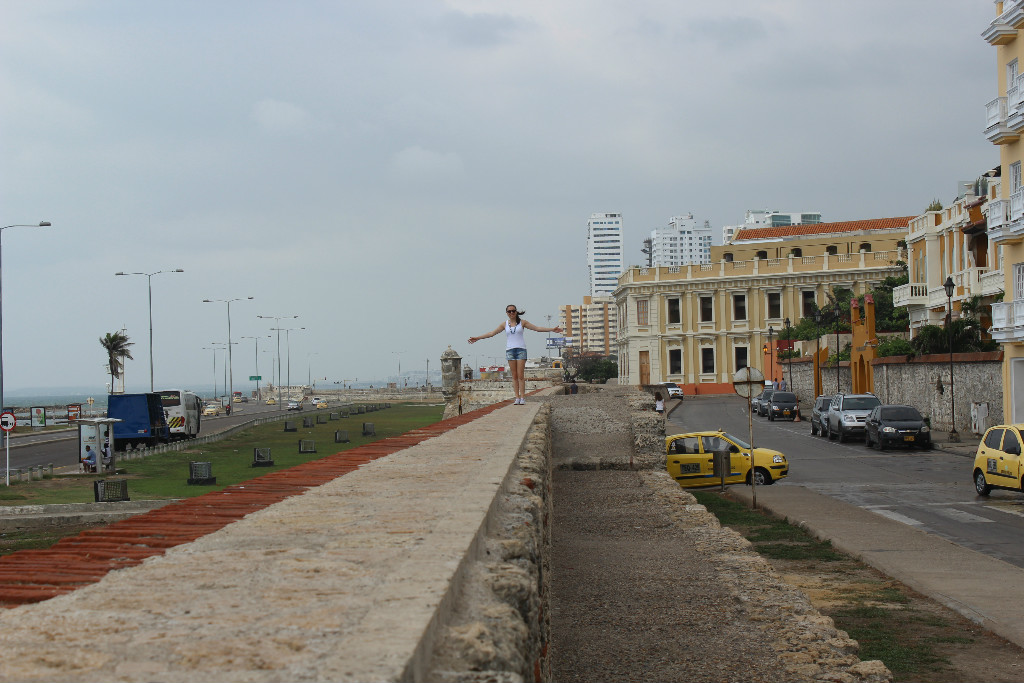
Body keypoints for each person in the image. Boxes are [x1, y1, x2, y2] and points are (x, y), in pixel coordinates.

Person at [468, 305, 562, 405]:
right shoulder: (504, 324)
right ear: (507, 313)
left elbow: (537, 328)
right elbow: (492, 333)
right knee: (514, 376)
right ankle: (517, 397)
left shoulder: (523, 322)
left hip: (521, 350)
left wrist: (552, 329)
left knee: (520, 375)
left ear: (516, 312)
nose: (511, 313)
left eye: (513, 311)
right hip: (510, 351)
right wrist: (477, 338)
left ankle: (522, 397)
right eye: (509, 311)